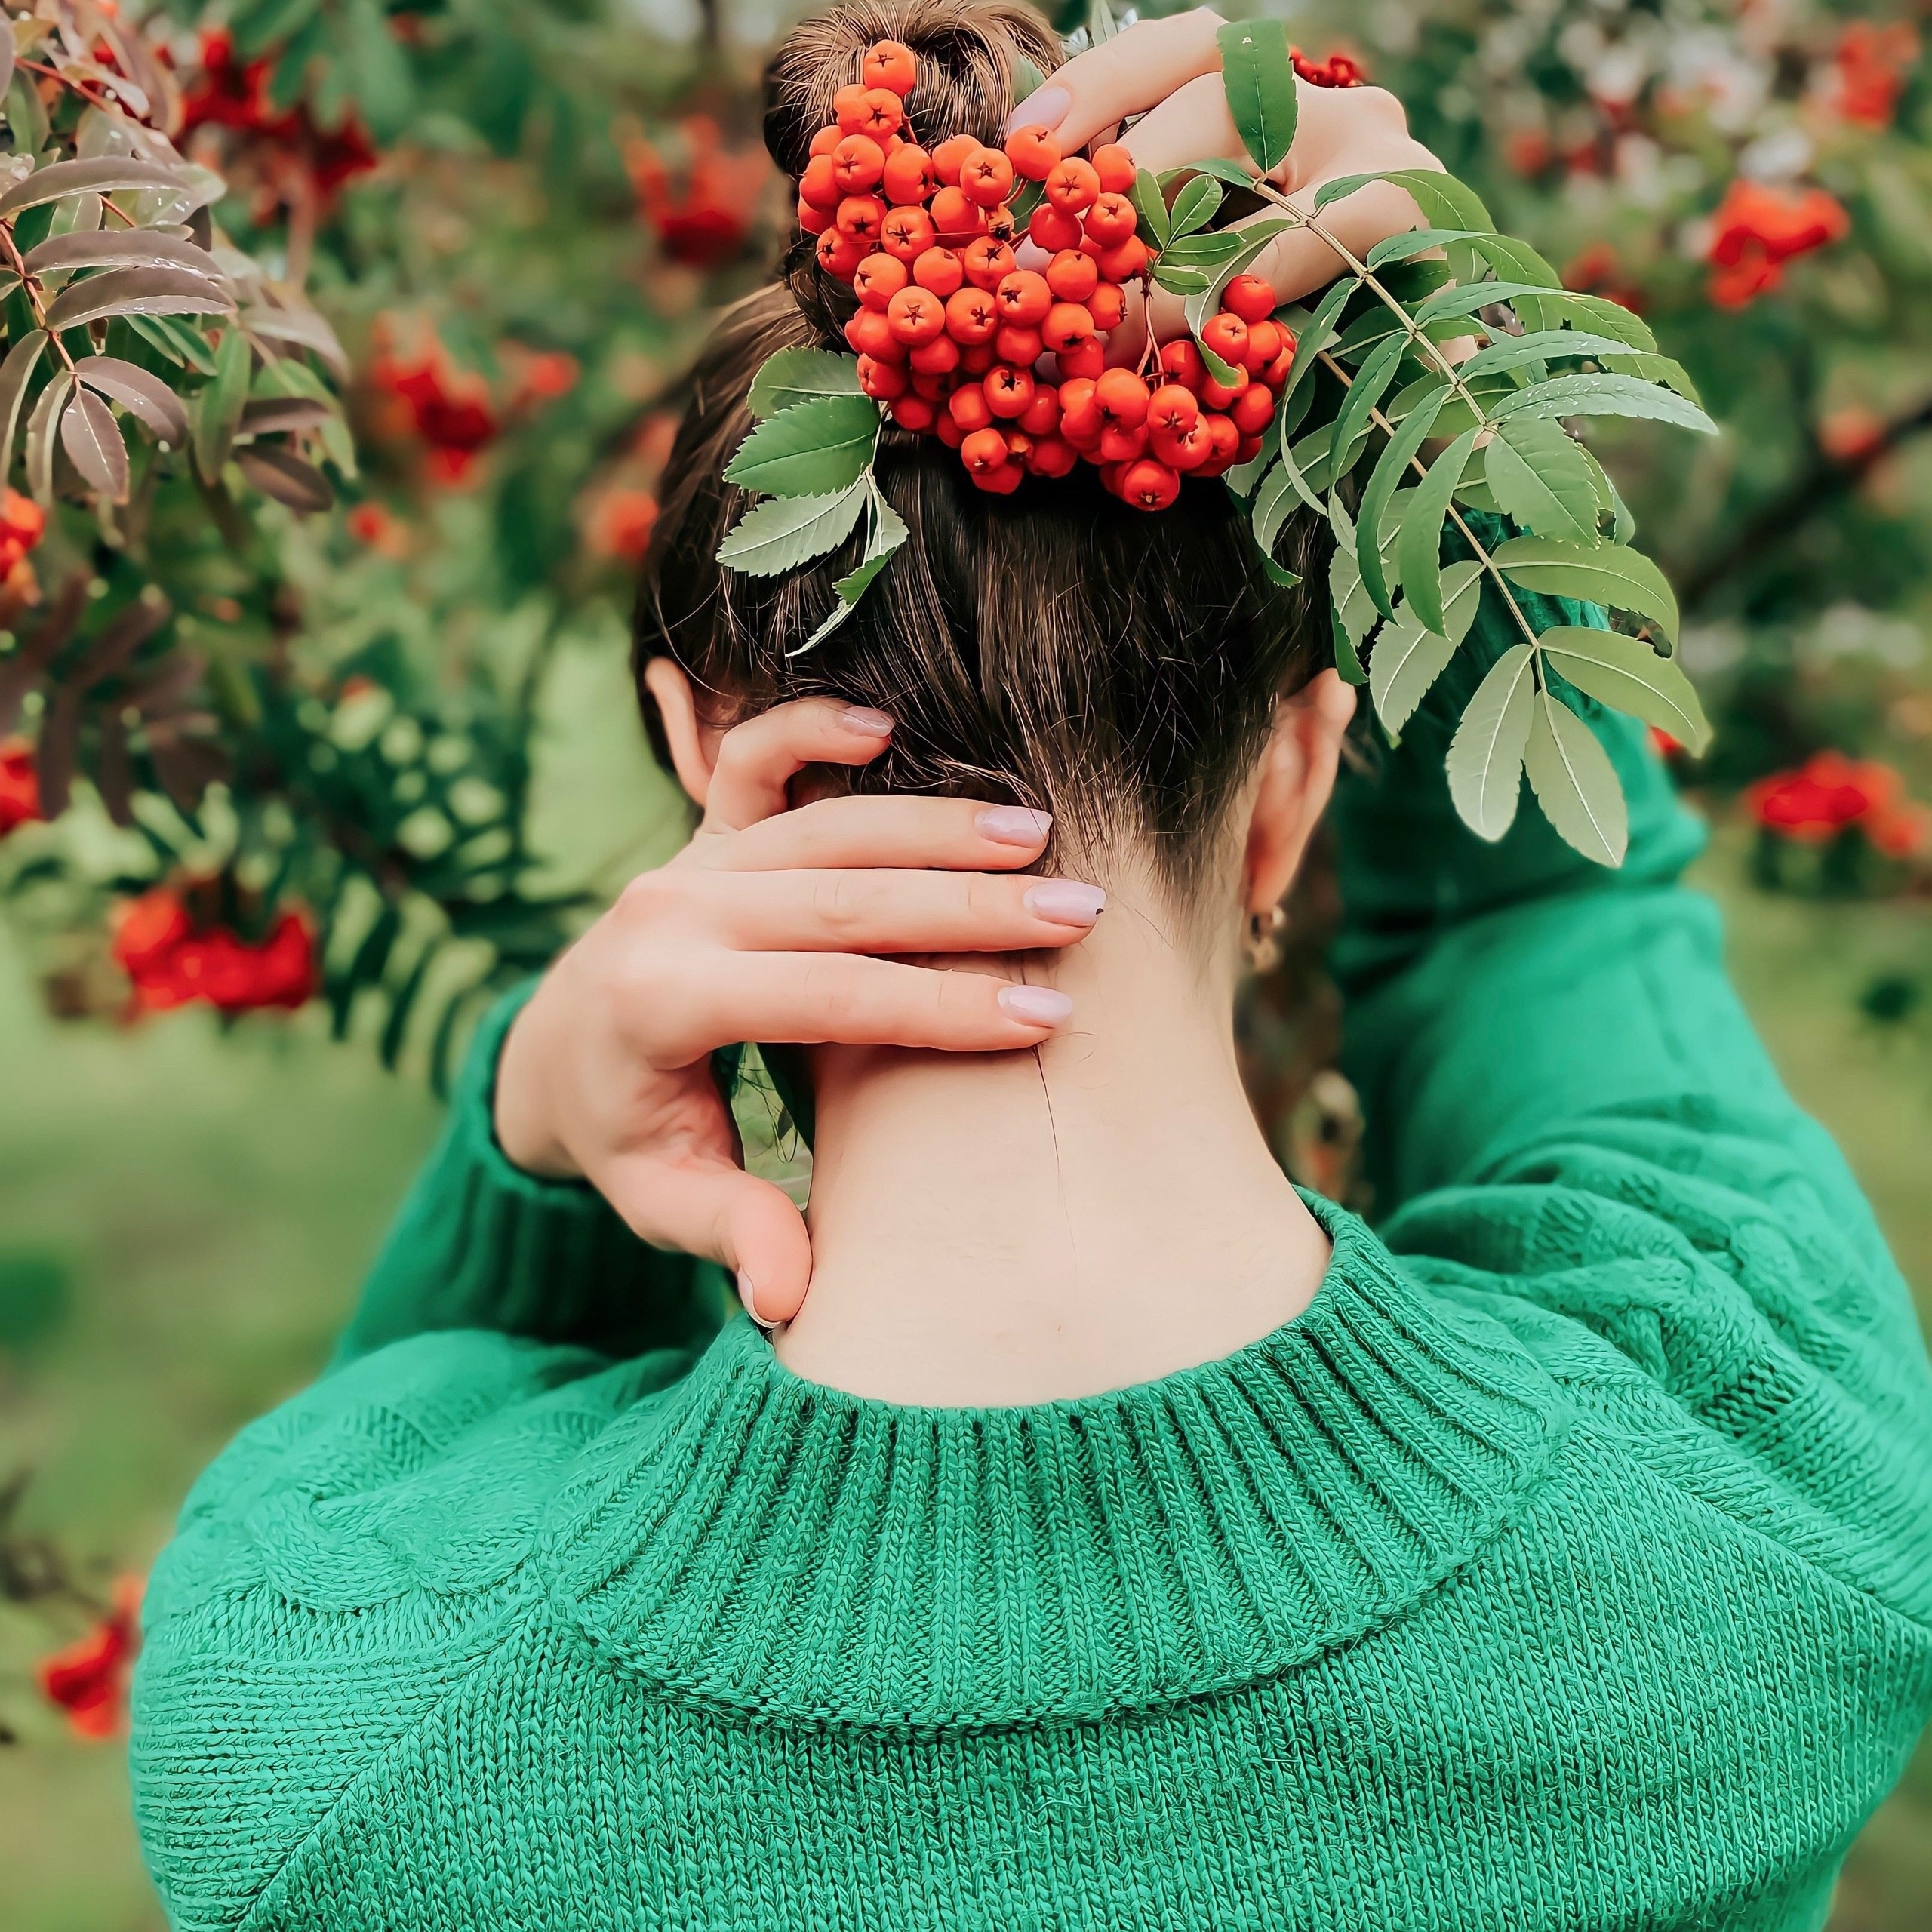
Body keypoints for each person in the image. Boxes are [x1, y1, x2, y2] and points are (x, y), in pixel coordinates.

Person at [130, 6, 1932, 1927]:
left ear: (697, 752)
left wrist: (544, 1115)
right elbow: (1544, 915)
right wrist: (1433, 405)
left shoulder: (319, 1726)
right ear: (1302, 773)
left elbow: (423, 1412)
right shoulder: (1777, 1532)